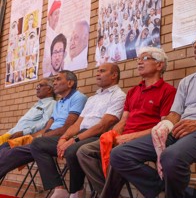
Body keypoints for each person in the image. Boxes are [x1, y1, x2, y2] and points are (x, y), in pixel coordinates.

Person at [77, 46, 177, 197]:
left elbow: (163, 127)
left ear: (159, 65)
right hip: (125, 137)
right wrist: (113, 135)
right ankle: (110, 193)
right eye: (138, 60)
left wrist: (130, 137)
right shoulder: (132, 91)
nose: (139, 63)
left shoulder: (168, 91)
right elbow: (123, 120)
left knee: (117, 154)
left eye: (145, 59)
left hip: (145, 138)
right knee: (85, 151)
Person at [110, 36, 196, 198]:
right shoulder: (187, 81)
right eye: (195, 42)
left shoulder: (166, 90)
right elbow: (174, 114)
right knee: (119, 154)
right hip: (180, 130)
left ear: (160, 65)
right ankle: (178, 193)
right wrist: (163, 126)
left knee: (171, 157)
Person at [30, 63, 126, 198]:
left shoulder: (119, 96)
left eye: (102, 71)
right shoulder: (93, 98)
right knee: (38, 144)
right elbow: (77, 124)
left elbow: (103, 126)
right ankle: (59, 189)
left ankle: (77, 191)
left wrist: (73, 140)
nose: (97, 74)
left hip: (96, 136)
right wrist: (64, 137)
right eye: (97, 71)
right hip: (79, 135)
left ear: (114, 75)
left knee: (72, 149)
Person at [0, 70, 87, 180]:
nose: (55, 82)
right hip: (47, 137)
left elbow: (67, 127)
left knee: (12, 152)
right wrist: (35, 136)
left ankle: (58, 189)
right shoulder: (60, 102)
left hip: (60, 138)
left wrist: (39, 136)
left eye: (58, 79)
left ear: (70, 83)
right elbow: (47, 127)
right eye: (54, 80)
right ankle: (58, 189)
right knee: (5, 149)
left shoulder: (78, 98)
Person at [0, 78, 56, 147]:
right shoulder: (38, 104)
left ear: (49, 89)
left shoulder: (51, 103)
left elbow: (45, 123)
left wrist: (24, 132)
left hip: (22, 137)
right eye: (37, 86)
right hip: (12, 133)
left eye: (40, 86)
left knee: (4, 150)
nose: (37, 88)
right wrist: (9, 133)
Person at [43, 0, 61, 77]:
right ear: (49, 17)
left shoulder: (57, 34)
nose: (58, 17)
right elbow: (47, 58)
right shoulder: (47, 36)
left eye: (59, 14)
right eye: (55, 14)